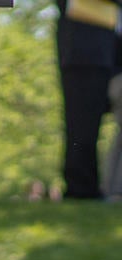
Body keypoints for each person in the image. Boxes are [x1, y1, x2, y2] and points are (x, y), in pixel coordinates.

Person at [55, 0, 122, 200]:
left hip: (107, 52)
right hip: (85, 50)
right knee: (82, 123)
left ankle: (105, 188)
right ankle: (81, 188)